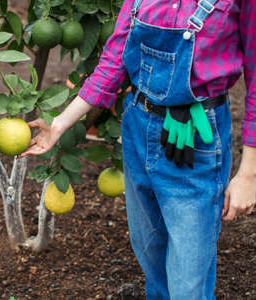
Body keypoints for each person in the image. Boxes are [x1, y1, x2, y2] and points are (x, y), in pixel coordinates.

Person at [18, 0, 255, 298]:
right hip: (139, 128)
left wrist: (248, 173)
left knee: (188, 283)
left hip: (195, 141)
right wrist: (59, 125)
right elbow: (113, 63)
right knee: (151, 254)